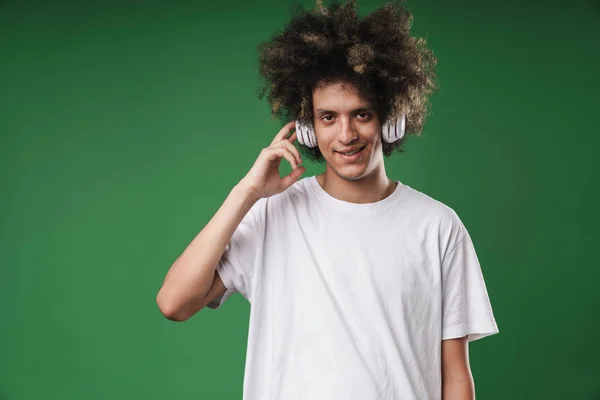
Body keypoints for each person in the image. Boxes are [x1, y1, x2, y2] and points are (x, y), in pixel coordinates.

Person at [156, 1, 499, 399]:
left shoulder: (438, 226)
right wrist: (246, 193)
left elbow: (455, 376)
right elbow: (174, 302)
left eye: (362, 114)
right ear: (306, 127)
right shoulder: (272, 214)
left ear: (390, 118)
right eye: (328, 117)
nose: (346, 135)